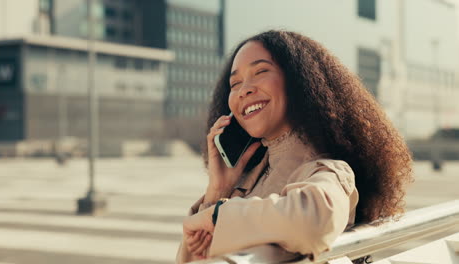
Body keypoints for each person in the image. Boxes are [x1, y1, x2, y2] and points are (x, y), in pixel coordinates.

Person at [176, 30, 413, 263]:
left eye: (260, 71)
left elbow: (314, 223)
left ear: (300, 81)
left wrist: (218, 216)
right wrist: (218, 191)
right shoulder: (241, 183)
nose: (244, 89)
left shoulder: (326, 171)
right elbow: (194, 258)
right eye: (235, 82)